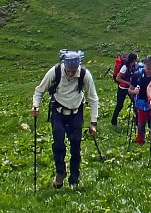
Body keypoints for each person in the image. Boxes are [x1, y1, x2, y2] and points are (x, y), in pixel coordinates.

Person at [32, 50, 100, 187]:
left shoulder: (85, 75)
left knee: (76, 144)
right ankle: (60, 172)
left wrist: (93, 122)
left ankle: (74, 177)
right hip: (58, 111)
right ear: (65, 66)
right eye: (68, 70)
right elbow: (39, 90)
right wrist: (35, 106)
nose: (70, 73)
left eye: (73, 71)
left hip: (76, 112)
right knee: (58, 144)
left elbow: (93, 98)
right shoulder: (55, 71)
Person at [131, 54, 151, 147]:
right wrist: (134, 91)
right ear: (144, 67)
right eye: (148, 69)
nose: (150, 71)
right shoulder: (137, 75)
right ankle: (140, 141)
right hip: (141, 101)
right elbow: (129, 89)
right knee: (141, 123)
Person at [111, 51, 136, 126]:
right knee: (120, 105)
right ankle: (113, 121)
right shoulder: (124, 67)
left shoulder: (134, 65)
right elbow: (118, 78)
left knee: (136, 103)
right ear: (133, 59)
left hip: (130, 88)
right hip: (122, 88)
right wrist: (127, 83)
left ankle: (136, 120)